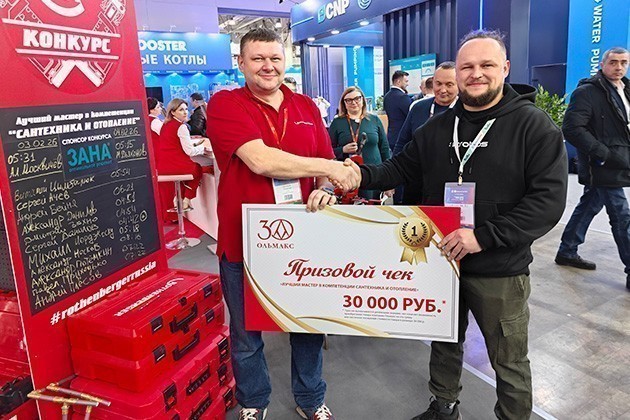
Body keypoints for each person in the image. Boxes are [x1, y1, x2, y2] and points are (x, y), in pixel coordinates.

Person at [349, 30, 567, 419]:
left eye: (486, 65)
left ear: (505, 68)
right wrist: (356, 175)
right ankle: (444, 405)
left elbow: (546, 203)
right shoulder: (437, 128)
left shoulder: (534, 127)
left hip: (499, 268)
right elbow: (399, 168)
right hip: (443, 260)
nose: (475, 73)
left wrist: (483, 237)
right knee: (444, 339)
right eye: (467, 66)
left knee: (508, 358)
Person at [207, 28, 358, 420]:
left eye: (275, 58)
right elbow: (261, 160)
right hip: (243, 241)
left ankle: (310, 398)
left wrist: (326, 187)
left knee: (307, 326)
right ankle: (254, 402)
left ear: (285, 60)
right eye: (257, 58)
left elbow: (324, 166)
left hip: (302, 240)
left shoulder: (305, 106)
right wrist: (331, 169)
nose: (267, 66)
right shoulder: (225, 104)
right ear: (241, 63)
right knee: (246, 334)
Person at [555, 47, 630, 290]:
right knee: (621, 215)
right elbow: (572, 128)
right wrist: (604, 154)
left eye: (624, 62)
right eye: (614, 62)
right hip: (602, 165)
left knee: (590, 204)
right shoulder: (587, 92)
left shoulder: (625, 89)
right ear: (602, 64)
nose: (619, 67)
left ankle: (567, 250)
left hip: (620, 161)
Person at [393, 62, 458, 205]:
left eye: (449, 84)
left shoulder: (465, 111)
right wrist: (392, 177)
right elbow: (402, 143)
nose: (442, 90)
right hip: (416, 184)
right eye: (438, 84)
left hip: (450, 188)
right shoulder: (418, 108)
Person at [329, 86, 391, 200]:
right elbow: (327, 151)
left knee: (374, 208)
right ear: (344, 103)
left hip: (375, 175)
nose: (353, 102)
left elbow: (385, 149)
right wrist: (343, 150)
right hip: (349, 178)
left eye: (357, 98)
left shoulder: (374, 120)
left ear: (363, 100)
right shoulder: (337, 123)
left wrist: (389, 181)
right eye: (349, 100)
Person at [157, 98, 212, 210]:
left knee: (189, 170)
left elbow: (173, 144)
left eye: (186, 109)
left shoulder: (165, 125)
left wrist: (194, 145)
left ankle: (178, 199)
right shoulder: (181, 127)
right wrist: (202, 149)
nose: (185, 112)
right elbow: (189, 151)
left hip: (163, 166)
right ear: (173, 112)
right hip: (175, 166)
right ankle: (186, 200)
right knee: (196, 168)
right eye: (181, 110)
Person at [383, 70, 412, 150]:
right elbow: (411, 115)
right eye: (406, 81)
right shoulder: (403, 97)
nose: (407, 84)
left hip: (391, 137)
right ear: (398, 82)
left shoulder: (387, 97)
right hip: (403, 138)